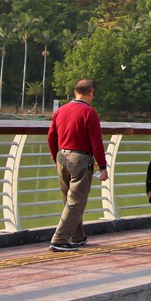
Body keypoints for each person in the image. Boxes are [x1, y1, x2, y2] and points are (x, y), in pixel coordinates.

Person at [46, 78, 108, 252]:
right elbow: (96, 143)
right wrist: (103, 167)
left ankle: (77, 236)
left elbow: (51, 136)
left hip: (62, 157)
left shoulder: (60, 111)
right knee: (76, 202)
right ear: (91, 93)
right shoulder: (89, 113)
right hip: (80, 159)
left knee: (69, 199)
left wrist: (55, 157)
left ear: (75, 92)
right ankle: (59, 240)